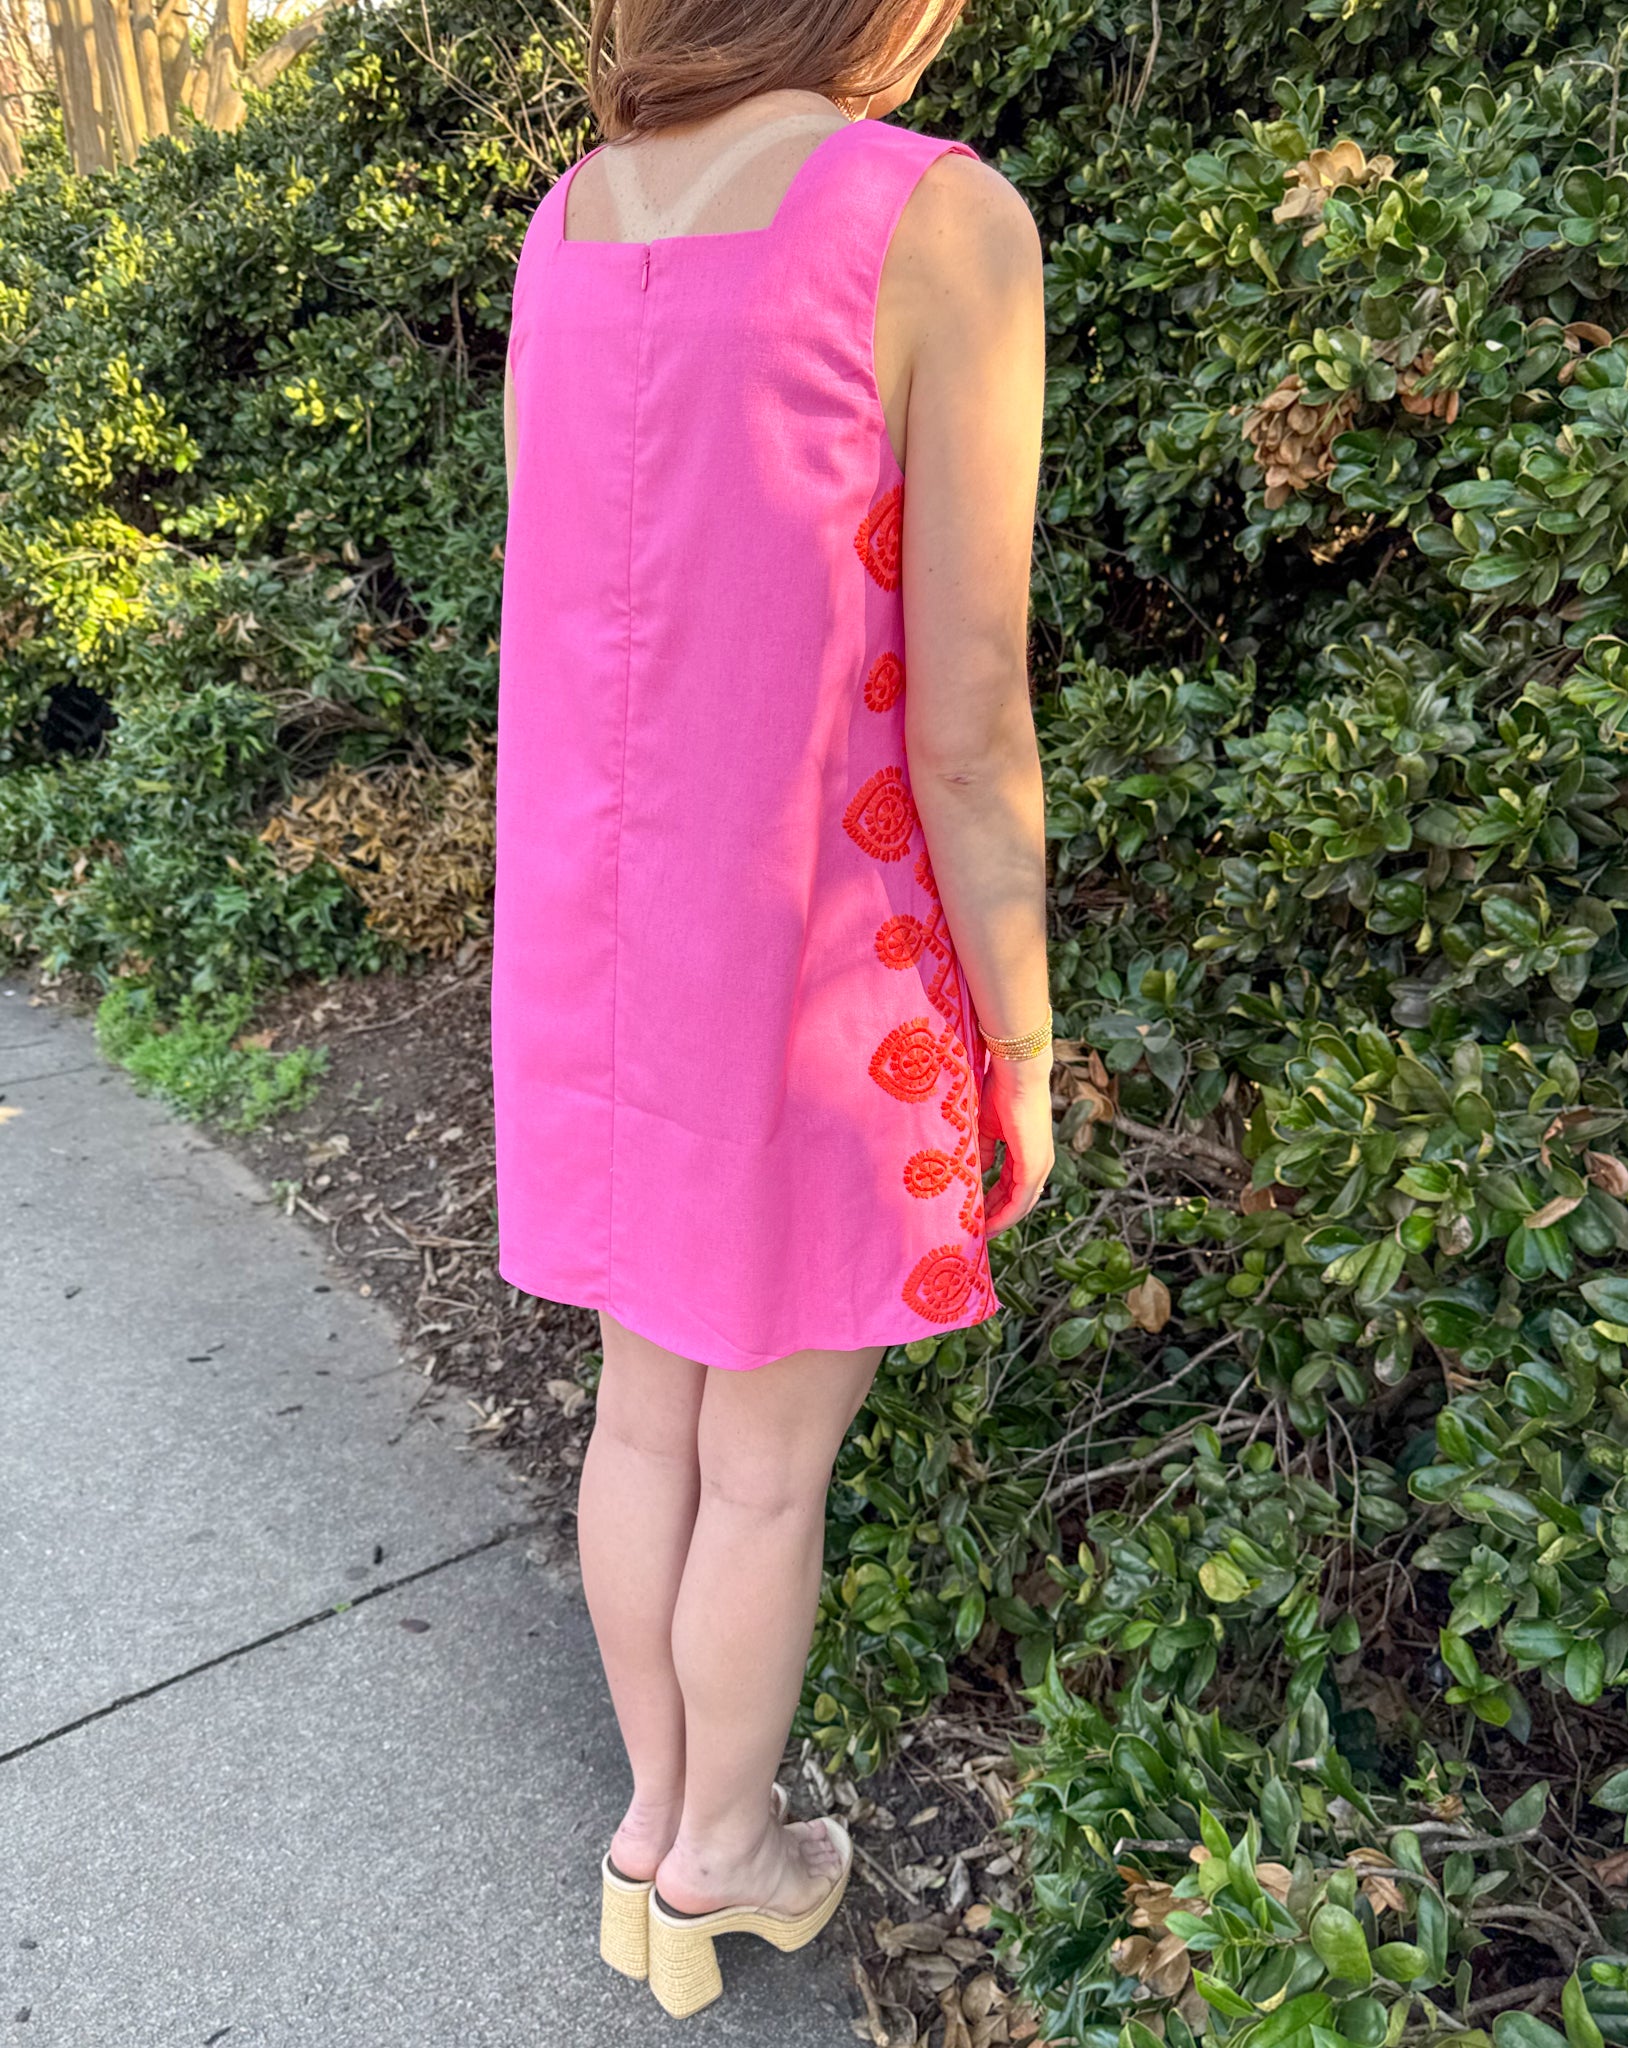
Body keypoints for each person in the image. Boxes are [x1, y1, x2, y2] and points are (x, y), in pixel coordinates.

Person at [491, 0, 1050, 2018]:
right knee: (764, 1461)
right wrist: (1027, 1040)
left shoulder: (573, 220)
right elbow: (970, 722)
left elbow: (566, 587)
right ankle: (721, 1849)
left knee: (647, 1414)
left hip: (598, 942)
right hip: (822, 955)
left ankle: (659, 1830)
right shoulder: (936, 218)